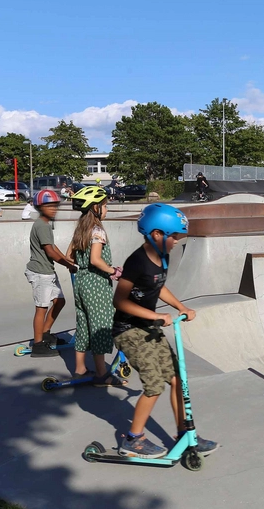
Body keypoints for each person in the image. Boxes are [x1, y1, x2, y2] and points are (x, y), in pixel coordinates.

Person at [112, 203, 218, 459]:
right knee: (154, 384)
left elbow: (158, 287)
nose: (177, 242)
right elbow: (120, 301)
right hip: (129, 330)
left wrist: (181, 307)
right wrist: (156, 315)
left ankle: (185, 434)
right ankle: (133, 439)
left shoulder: (163, 257)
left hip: (149, 327)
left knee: (177, 379)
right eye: (174, 237)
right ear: (156, 234)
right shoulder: (137, 261)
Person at [66, 186, 125, 385]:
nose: (107, 209)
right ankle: (102, 374)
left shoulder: (81, 230)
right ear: (95, 208)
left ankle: (80, 369)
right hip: (96, 284)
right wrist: (113, 271)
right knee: (100, 326)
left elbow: (68, 257)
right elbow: (95, 260)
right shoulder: (98, 230)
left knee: (83, 324)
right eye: (105, 206)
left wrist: (81, 266)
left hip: (81, 282)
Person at [24, 189, 76, 358]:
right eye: (49, 206)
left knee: (60, 301)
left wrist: (67, 261)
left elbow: (53, 247)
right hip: (40, 272)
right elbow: (50, 252)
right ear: (40, 207)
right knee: (41, 308)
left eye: (55, 206)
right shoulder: (41, 225)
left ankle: (45, 333)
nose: (53, 209)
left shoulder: (45, 225)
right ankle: (38, 345)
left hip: (47, 271)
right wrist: (67, 264)